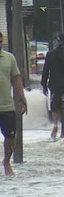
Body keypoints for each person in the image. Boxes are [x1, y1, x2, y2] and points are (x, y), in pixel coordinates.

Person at [0, 31, 28, 176]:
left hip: (6, 106)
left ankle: (6, 162)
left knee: (11, 139)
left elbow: (16, 79)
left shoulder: (9, 58)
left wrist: (22, 98)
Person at [41, 32, 64, 141]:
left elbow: (46, 71)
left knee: (55, 106)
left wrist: (43, 84)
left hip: (53, 85)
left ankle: (55, 123)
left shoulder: (50, 54)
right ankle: (62, 132)